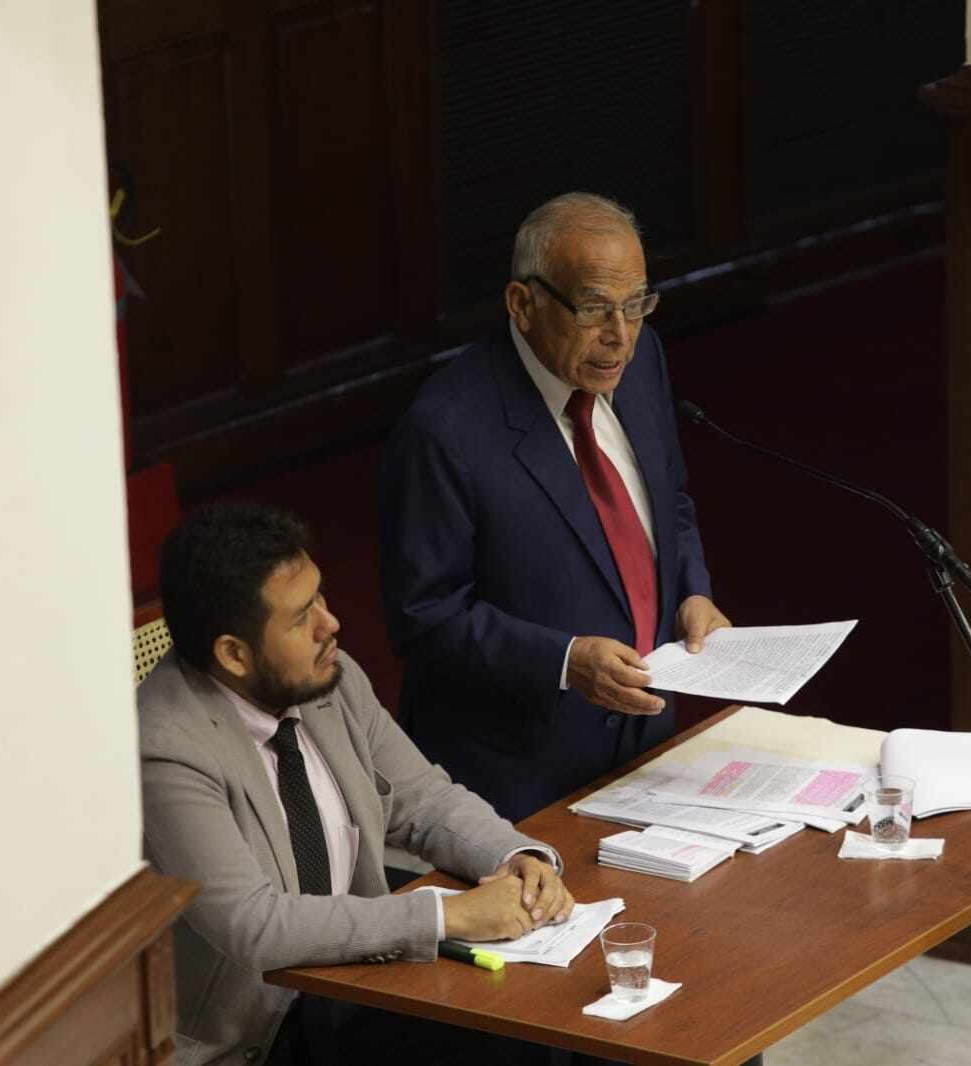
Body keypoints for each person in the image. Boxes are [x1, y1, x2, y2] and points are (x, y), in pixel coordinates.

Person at [140, 502, 574, 1066]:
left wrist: (517, 855)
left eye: (320, 596)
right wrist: (449, 915)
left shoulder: (326, 679)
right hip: (254, 1034)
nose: (331, 623)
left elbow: (423, 798)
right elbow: (252, 925)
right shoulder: (167, 745)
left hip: (351, 984)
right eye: (301, 618)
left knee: (548, 1026)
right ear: (234, 654)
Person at [380, 191, 730, 822]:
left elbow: (669, 499)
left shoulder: (641, 361)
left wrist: (691, 592)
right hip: (516, 786)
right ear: (523, 304)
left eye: (636, 305)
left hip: (646, 750)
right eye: (595, 309)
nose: (618, 337)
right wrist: (565, 662)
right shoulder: (445, 430)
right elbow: (425, 619)